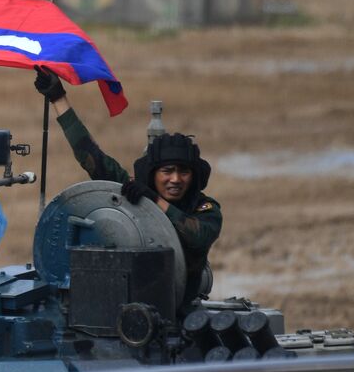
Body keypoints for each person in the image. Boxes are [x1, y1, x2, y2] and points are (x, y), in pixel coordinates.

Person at [34, 67, 221, 301]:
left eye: (184, 172)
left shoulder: (205, 210)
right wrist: (58, 98)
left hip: (178, 307)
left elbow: (198, 236)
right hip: (122, 301)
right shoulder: (133, 194)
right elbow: (91, 158)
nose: (175, 179)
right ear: (153, 174)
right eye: (167, 171)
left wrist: (153, 201)